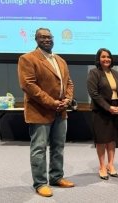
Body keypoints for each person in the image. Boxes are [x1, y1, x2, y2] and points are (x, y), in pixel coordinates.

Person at [17, 28, 75, 197]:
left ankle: (56, 177)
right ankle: (40, 183)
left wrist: (68, 100)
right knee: (39, 149)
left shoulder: (60, 60)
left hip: (61, 111)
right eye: (42, 37)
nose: (46, 39)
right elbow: (28, 85)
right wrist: (52, 103)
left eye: (49, 37)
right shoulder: (27, 59)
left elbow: (69, 83)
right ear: (36, 39)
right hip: (40, 112)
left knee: (58, 147)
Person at [87, 48, 118, 180]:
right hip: (101, 111)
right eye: (103, 57)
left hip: (116, 111)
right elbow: (94, 94)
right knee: (102, 140)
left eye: (108, 57)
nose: (106, 59)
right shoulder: (94, 73)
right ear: (98, 59)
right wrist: (108, 107)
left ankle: (111, 165)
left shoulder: (115, 73)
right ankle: (102, 166)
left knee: (112, 139)